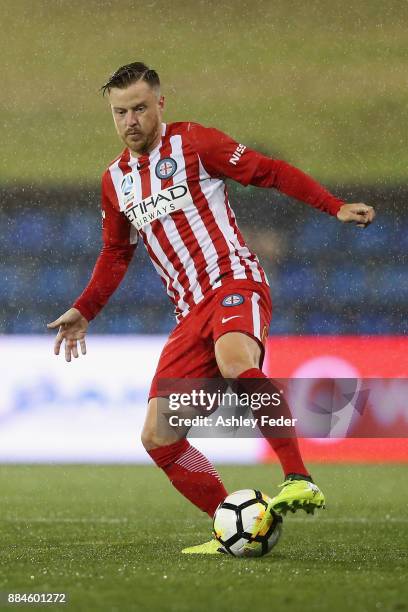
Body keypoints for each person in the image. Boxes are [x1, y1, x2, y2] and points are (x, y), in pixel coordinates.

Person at [48, 62, 375, 554]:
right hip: (189, 311)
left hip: (233, 281)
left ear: (160, 104)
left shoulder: (194, 144)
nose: (131, 120)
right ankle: (232, 527)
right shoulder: (115, 181)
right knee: (159, 436)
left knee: (235, 361)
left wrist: (333, 206)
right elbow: (117, 253)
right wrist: (85, 308)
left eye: (139, 107)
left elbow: (268, 171)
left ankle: (298, 476)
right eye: (120, 112)